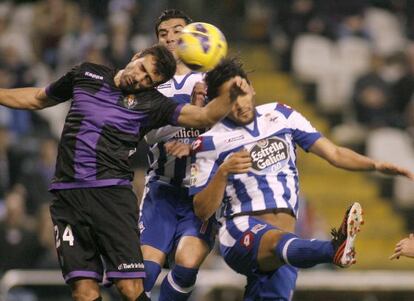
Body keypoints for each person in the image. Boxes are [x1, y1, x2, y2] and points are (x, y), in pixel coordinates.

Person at [0, 45, 249, 301]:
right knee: (82, 292)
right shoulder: (86, 74)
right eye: (142, 68)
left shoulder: (154, 103)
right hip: (66, 198)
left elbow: (204, 116)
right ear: (135, 57)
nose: (140, 78)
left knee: (130, 288)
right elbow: (39, 98)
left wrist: (230, 95)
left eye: (149, 80)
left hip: (111, 198)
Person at [190, 58, 414, 301]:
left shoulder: (280, 114)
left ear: (251, 88)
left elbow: (335, 153)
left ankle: (328, 250)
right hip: (240, 232)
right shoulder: (209, 142)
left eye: (241, 92)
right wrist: (223, 173)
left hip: (288, 250)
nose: (240, 103)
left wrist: (376, 164)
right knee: (280, 242)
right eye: (229, 98)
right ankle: (333, 249)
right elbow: (202, 210)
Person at [139, 9, 214, 300]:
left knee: (186, 265)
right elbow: (146, 131)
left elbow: (229, 130)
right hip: (162, 188)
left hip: (202, 194)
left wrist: (202, 124)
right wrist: (191, 112)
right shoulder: (151, 80)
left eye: (177, 30)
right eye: (163, 33)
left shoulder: (211, 77)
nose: (170, 37)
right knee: (145, 274)